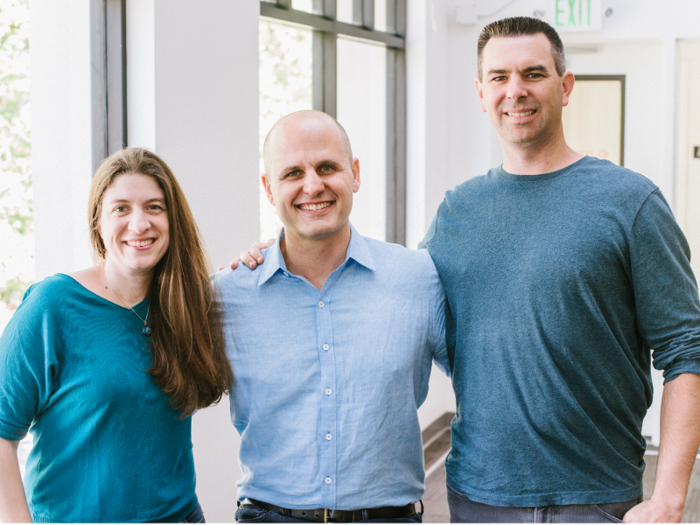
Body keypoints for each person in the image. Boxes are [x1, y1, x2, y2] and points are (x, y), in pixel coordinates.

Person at [420, 16, 700, 525]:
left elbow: (688, 348)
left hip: (595, 498)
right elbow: (394, 293)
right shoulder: (456, 211)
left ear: (565, 86)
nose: (516, 90)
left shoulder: (629, 201)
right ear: (481, 93)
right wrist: (285, 247)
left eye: (534, 73)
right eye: (500, 78)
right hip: (478, 495)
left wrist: (669, 499)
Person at [216, 110, 448, 525]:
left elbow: (485, 383)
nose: (312, 185)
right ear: (269, 189)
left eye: (327, 167)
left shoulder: (419, 278)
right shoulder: (227, 295)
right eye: (292, 173)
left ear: (354, 174)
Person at [0, 147, 232, 524]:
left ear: (173, 220)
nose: (139, 224)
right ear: (98, 223)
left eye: (154, 207)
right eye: (121, 208)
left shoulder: (187, 302)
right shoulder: (52, 306)